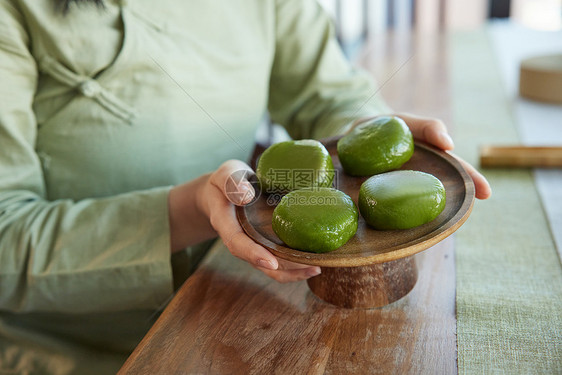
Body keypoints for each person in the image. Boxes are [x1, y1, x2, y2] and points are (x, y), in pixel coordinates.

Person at [0, 0, 491, 373]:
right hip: (82, 349)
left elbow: (324, 93)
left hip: (234, 300)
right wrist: (195, 208)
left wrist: (369, 128)